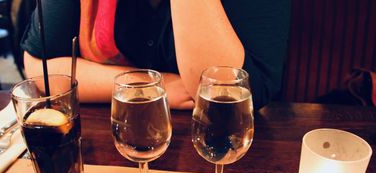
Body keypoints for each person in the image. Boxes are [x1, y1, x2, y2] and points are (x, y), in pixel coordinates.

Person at [21, 0, 291, 110]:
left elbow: (230, 93)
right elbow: (41, 68)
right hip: (110, 151)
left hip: (221, 152)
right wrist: (152, 86)